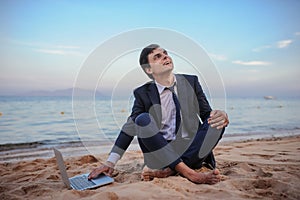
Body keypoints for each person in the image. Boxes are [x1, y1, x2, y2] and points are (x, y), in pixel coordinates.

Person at [88, 44, 229, 184]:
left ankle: (170, 170)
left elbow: (206, 115)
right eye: (157, 57)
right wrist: (110, 163)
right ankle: (190, 173)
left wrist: (220, 114)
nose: (165, 56)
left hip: (191, 149)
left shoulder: (191, 82)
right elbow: (129, 128)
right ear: (149, 69)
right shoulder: (142, 93)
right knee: (141, 119)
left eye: (165, 53)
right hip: (160, 151)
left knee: (217, 121)